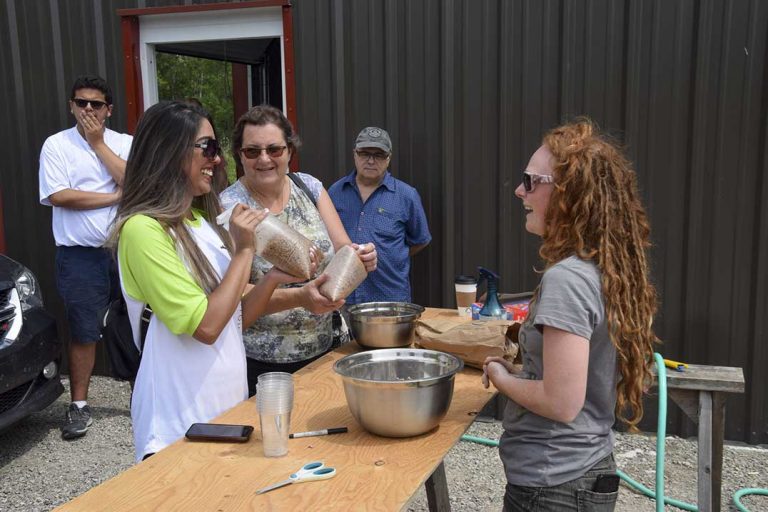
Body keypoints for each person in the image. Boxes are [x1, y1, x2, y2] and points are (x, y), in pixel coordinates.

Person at [107, 101, 304, 461]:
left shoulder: (200, 224)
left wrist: (274, 279)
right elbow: (206, 326)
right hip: (177, 422)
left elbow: (235, 315)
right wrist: (245, 251)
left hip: (225, 411)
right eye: (208, 147)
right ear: (169, 151)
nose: (216, 160)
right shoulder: (143, 230)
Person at [482, 119, 658, 511]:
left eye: (530, 181)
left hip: (553, 485)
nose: (518, 190)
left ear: (569, 194)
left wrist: (500, 377)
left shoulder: (568, 279)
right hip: (580, 473)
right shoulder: (603, 267)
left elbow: (561, 402)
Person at [220, 105, 377, 394]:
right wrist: (301, 297)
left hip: (326, 349)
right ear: (240, 156)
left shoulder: (309, 186)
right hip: (263, 363)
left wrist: (361, 256)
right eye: (252, 151)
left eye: (274, 149)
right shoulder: (230, 209)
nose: (264, 159)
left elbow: (342, 247)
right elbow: (234, 298)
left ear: (290, 151)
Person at [38, 75, 133, 440]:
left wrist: (97, 144)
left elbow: (134, 180)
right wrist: (113, 197)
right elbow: (60, 195)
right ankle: (79, 406)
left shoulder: (123, 143)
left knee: (137, 324)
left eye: (96, 104)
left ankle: (142, 394)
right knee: (84, 330)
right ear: (71, 106)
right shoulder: (56, 145)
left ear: (108, 110)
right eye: (81, 103)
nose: (88, 110)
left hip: (125, 251)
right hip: (79, 256)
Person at [328, 126, 431, 304]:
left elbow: (420, 240)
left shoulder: (406, 196)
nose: (370, 160)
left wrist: (392, 255)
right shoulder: (335, 192)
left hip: (389, 298)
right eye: (364, 153)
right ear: (354, 154)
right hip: (343, 297)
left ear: (388, 158)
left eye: (378, 155)